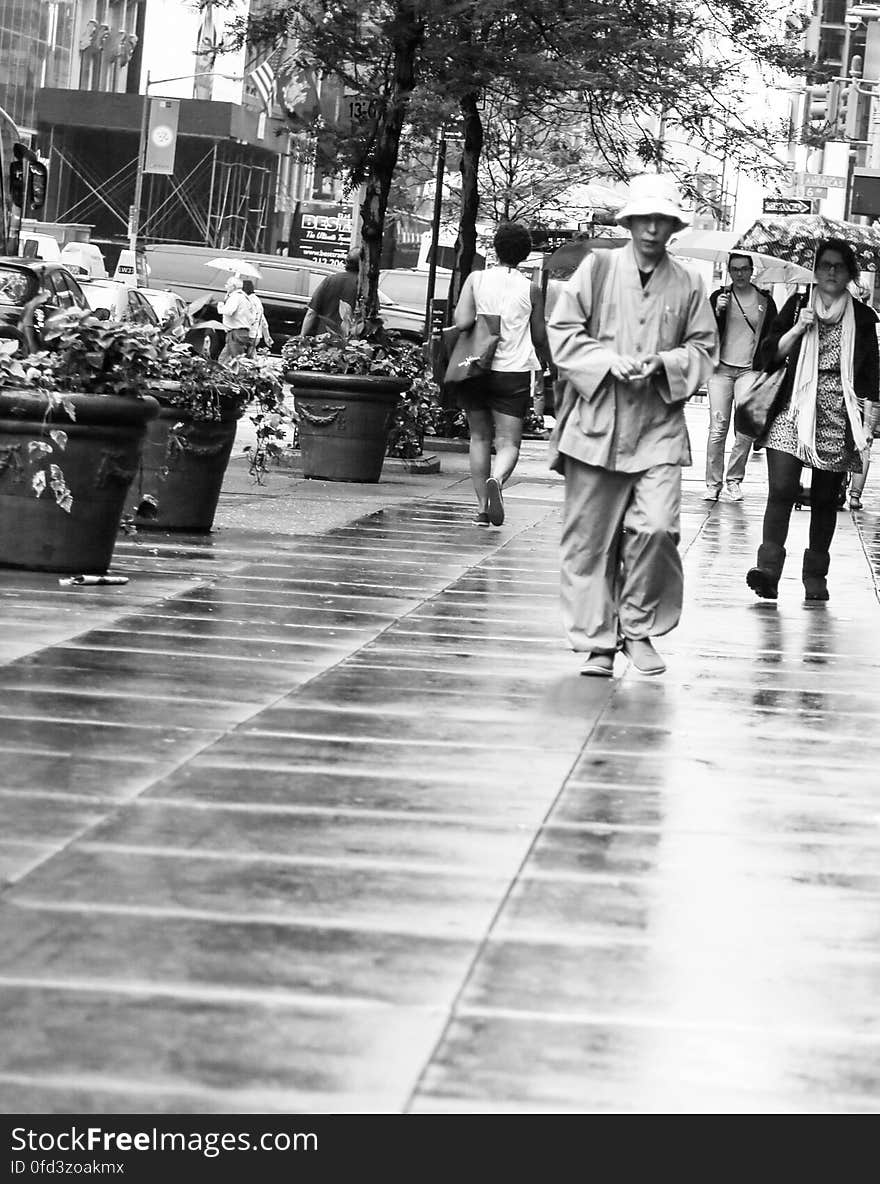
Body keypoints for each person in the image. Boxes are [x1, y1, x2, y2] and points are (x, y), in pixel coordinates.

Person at [546, 173, 718, 678]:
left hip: (657, 425)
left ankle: (638, 627)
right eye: (643, 219)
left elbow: (704, 348)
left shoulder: (689, 283)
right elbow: (563, 331)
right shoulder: (597, 269)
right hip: (596, 424)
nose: (651, 229)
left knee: (658, 528)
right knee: (589, 540)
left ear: (672, 227)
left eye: (661, 221)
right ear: (629, 222)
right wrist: (603, 360)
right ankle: (599, 641)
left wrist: (665, 363)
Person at [746, 238, 879, 602]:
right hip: (793, 406)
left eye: (838, 266)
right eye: (825, 266)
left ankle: (815, 576)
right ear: (815, 271)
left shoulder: (864, 318)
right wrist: (796, 329)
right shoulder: (797, 306)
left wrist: (867, 426)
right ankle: (768, 571)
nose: (831, 272)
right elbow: (767, 358)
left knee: (824, 499)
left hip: (839, 410)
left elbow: (871, 376)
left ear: (851, 273)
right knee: (782, 490)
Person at [450, 221, 551, 528]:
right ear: (525, 253)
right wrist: (547, 364)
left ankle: (482, 509)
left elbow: (462, 320)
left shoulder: (476, 279)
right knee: (509, 443)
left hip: (476, 367)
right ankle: (498, 478)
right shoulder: (531, 289)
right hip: (514, 371)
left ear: (495, 248)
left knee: (479, 438)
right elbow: (538, 335)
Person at [704, 253, 778, 503]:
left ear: (751, 270)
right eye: (734, 269)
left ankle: (734, 481)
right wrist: (716, 311)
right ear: (728, 270)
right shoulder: (719, 297)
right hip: (720, 370)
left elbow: (772, 336)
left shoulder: (764, 301)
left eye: (744, 269)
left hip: (749, 371)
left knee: (745, 429)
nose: (739, 274)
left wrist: (767, 368)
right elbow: (701, 330)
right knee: (717, 428)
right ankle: (713, 484)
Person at [300, 248, 360, 338]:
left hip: (325, 338)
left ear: (346, 262)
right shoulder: (364, 286)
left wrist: (302, 337)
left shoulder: (330, 280)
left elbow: (311, 313)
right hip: (352, 343)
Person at [217, 275, 252, 363]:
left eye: (227, 284)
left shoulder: (235, 297)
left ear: (233, 286)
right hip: (240, 332)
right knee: (223, 360)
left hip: (235, 333)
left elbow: (229, 311)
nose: (225, 286)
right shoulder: (244, 297)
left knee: (237, 361)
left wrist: (220, 307)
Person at [241, 278, 272, 356]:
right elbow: (263, 320)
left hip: (248, 333)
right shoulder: (257, 300)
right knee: (250, 356)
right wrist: (267, 336)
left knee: (240, 357)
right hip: (256, 335)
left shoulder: (247, 301)